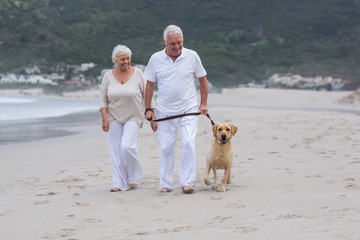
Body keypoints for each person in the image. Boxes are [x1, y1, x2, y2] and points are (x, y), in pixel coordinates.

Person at [143, 25, 209, 194]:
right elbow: (149, 85)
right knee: (166, 147)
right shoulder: (155, 59)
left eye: (179, 42)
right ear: (165, 42)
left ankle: (188, 183)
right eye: (172, 43)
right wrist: (149, 109)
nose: (177, 46)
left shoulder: (192, 56)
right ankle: (165, 184)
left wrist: (203, 104)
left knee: (188, 142)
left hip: (188, 108)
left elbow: (202, 81)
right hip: (165, 110)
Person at [99, 44, 144, 192]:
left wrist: (152, 112)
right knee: (115, 152)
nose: (125, 61)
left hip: (133, 116)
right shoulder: (107, 76)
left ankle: (134, 177)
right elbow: (102, 100)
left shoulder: (138, 73)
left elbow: (147, 94)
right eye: (122, 59)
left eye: (128, 58)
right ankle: (118, 183)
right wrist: (104, 119)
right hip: (113, 117)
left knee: (127, 146)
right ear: (115, 60)